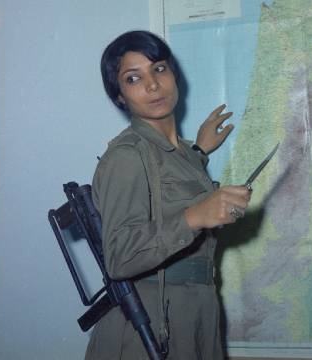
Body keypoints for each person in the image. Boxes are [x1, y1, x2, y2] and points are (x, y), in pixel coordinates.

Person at [84, 30, 251, 360]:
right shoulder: (127, 156)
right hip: (149, 323)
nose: (152, 85)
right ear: (119, 96)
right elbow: (119, 257)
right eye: (133, 78)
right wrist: (195, 216)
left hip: (193, 314)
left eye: (159, 69)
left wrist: (199, 151)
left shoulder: (182, 152)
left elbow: (167, 190)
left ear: (174, 73)